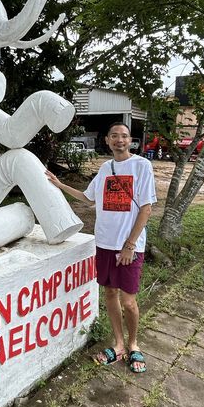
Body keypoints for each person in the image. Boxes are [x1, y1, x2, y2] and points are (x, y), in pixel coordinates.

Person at [46, 121, 156, 373]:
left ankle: (133, 344)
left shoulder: (142, 166)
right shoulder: (106, 169)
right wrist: (60, 186)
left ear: (131, 141)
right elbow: (88, 197)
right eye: (114, 136)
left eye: (124, 136)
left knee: (129, 301)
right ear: (106, 140)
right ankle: (118, 345)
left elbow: (147, 208)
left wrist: (129, 245)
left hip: (129, 247)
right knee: (109, 294)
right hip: (104, 243)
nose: (120, 140)